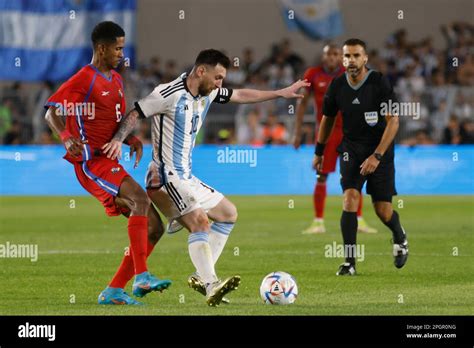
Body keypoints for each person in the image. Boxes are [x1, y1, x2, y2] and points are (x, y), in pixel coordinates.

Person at [102, 49, 309, 306]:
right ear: (201, 71)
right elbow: (135, 112)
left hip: (186, 178)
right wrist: (118, 140)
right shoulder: (168, 93)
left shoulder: (208, 92)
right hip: (165, 177)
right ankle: (211, 285)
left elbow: (241, 94)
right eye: (218, 77)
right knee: (200, 221)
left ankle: (202, 275)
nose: (220, 84)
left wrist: (280, 93)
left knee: (228, 213)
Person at [44, 21, 171, 305]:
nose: (121, 54)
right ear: (101, 48)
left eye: (122, 48)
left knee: (155, 228)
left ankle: (114, 290)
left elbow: (111, 123)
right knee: (140, 198)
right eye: (117, 48)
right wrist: (65, 136)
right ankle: (142, 276)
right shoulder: (83, 78)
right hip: (91, 161)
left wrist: (130, 140)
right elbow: (51, 112)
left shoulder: (115, 80)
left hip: (109, 161)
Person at [314, 39, 409, 276]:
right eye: (347, 56)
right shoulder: (337, 86)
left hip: (380, 149)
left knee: (383, 211)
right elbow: (327, 119)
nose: (351, 60)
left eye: (356, 56)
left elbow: (394, 121)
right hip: (351, 149)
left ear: (365, 58)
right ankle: (349, 263)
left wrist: (377, 155)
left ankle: (399, 235)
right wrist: (319, 151)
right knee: (349, 199)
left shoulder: (379, 83)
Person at [294, 44, 377, 234]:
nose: (331, 58)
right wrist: (297, 132)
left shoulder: (350, 73)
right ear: (323, 57)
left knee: (356, 175)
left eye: (335, 54)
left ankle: (359, 219)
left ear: (341, 57)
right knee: (321, 175)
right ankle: (318, 222)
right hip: (327, 134)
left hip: (350, 133)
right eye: (328, 54)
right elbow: (302, 103)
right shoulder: (313, 74)